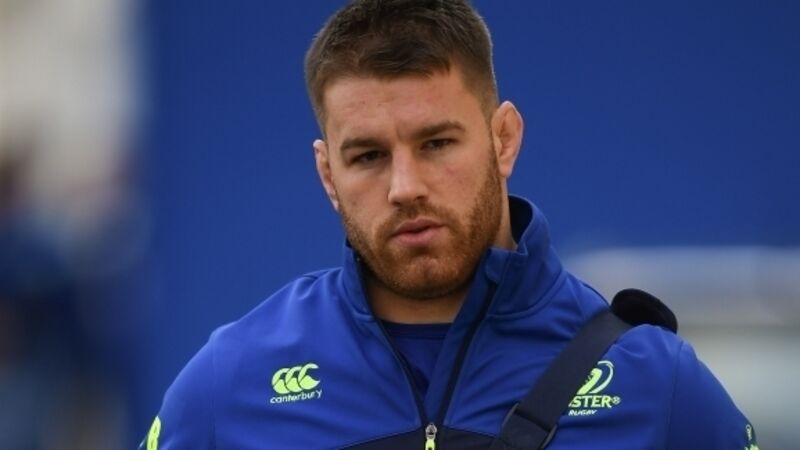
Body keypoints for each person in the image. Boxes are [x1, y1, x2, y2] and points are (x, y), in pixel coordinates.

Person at [142, 1, 759, 448]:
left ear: (503, 139)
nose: (404, 187)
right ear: (328, 174)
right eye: (368, 156)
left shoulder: (659, 387)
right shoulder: (230, 385)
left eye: (436, 143)